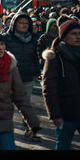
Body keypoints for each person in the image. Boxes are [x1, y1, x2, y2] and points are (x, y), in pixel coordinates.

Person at [42, 19, 80, 150]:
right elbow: (49, 89)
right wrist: (55, 115)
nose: (78, 36)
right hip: (66, 113)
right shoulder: (55, 57)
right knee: (63, 145)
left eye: (79, 33)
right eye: (73, 33)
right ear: (64, 36)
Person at [3, 11, 41, 141]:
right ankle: (2, 132)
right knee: (6, 106)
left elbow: (35, 57)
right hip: (9, 78)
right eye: (21, 23)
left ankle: (29, 131)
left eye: (26, 23)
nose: (24, 25)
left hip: (27, 77)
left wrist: (37, 73)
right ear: (14, 24)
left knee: (26, 105)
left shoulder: (32, 39)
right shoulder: (6, 38)